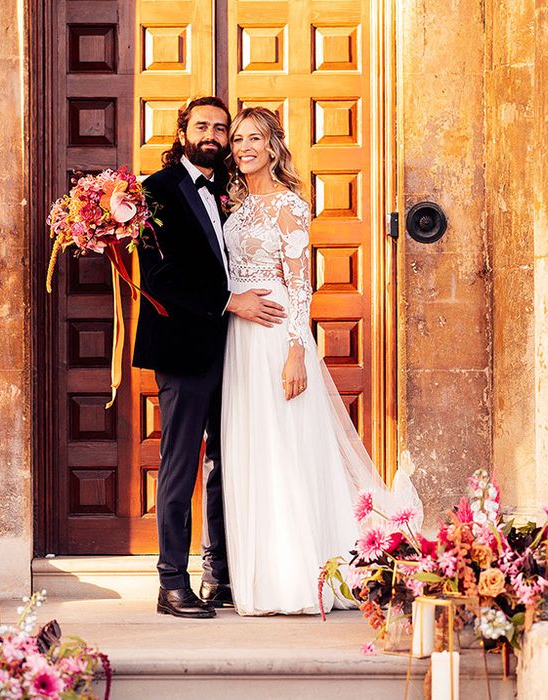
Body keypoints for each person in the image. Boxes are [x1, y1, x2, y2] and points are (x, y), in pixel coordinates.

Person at [220, 107, 422, 615]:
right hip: (239, 340)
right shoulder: (235, 208)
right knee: (251, 451)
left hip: (276, 339)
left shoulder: (289, 206)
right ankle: (262, 578)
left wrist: (295, 351)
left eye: (254, 139)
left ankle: (300, 577)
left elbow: (300, 284)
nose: (243, 147)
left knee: (284, 450)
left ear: (272, 147)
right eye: (238, 139)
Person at [132, 97, 287, 619]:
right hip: (183, 348)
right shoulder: (153, 192)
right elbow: (158, 278)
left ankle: (217, 572)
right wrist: (228, 302)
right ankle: (170, 581)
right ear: (183, 132)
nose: (215, 135)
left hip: (238, 350)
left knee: (228, 461)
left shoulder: (232, 190)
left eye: (223, 128)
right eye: (204, 126)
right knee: (181, 464)